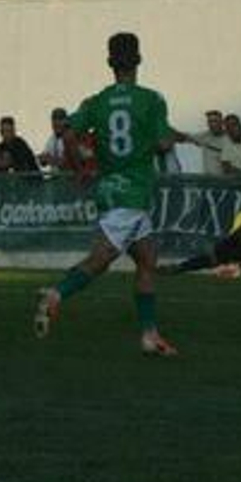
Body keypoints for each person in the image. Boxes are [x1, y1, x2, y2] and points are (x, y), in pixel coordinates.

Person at [33, 32, 186, 357]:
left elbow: (67, 132)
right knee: (100, 260)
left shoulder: (97, 101)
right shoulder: (152, 99)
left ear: (109, 63)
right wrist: (170, 137)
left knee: (147, 258)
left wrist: (80, 167)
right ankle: (56, 295)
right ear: (139, 60)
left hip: (111, 191)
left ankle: (149, 334)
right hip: (132, 194)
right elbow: (162, 143)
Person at [196, 110, 229, 175]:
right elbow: (186, 137)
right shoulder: (205, 136)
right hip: (209, 180)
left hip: (225, 180)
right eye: (210, 121)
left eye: (215, 121)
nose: (212, 124)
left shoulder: (229, 138)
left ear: (221, 122)